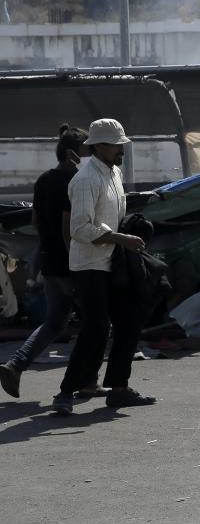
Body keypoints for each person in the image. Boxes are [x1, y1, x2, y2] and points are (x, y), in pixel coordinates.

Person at [51, 118, 156, 415]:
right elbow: (81, 229)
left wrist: (131, 229)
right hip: (89, 265)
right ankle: (65, 391)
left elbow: (111, 215)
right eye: (115, 145)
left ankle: (119, 388)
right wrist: (122, 238)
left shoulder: (114, 173)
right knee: (96, 328)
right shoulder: (85, 179)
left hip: (113, 260)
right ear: (98, 147)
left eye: (121, 145)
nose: (120, 150)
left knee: (129, 320)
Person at [0, 124, 106, 399]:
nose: (91, 155)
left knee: (55, 322)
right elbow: (68, 227)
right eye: (87, 150)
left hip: (49, 262)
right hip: (73, 264)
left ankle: (15, 365)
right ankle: (87, 381)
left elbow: (36, 221)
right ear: (73, 153)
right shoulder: (76, 180)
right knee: (96, 320)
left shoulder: (44, 180)